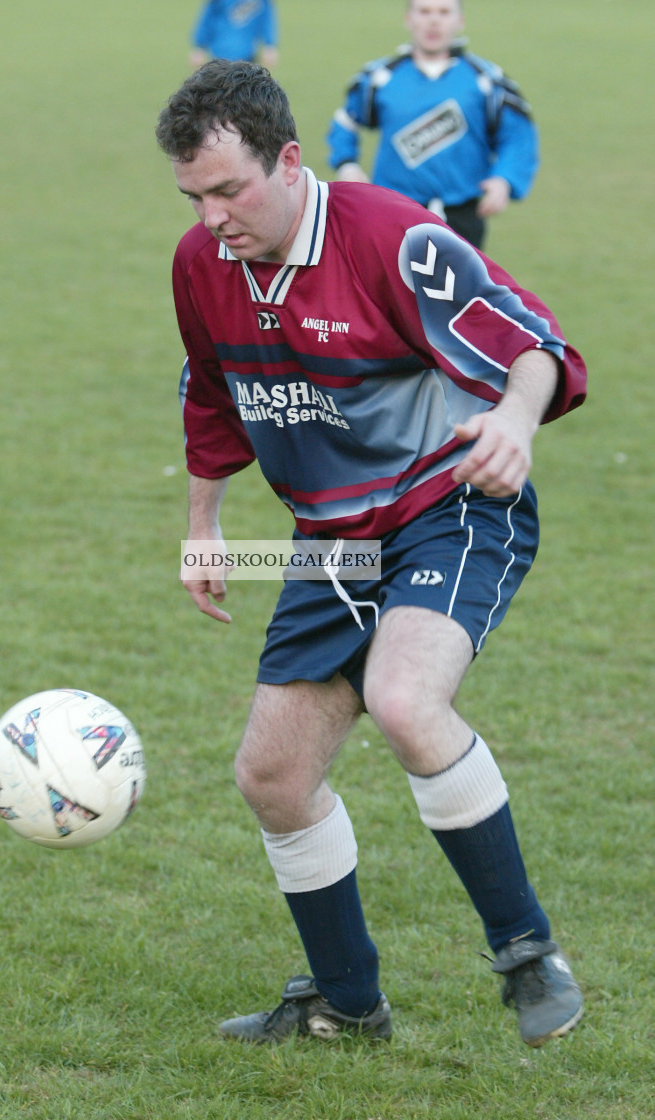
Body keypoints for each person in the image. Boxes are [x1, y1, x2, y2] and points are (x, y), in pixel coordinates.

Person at [156, 59, 586, 1048]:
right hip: (332, 541)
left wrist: (516, 423)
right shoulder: (200, 264)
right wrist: (203, 523)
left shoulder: (389, 236)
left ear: (292, 160)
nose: (213, 217)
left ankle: (527, 954)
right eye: (194, 197)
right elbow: (212, 394)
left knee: (403, 697)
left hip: (452, 500)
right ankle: (348, 1003)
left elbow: (532, 342)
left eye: (231, 189)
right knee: (271, 774)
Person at [327, 0, 538, 248]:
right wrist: (347, 164)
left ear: (460, 21)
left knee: (460, 287)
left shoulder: (487, 81)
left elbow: (518, 134)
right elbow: (345, 122)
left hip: (463, 214)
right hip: (391, 211)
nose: (433, 21)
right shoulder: (378, 79)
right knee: (390, 287)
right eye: (424, 12)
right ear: (409, 19)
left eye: (444, 12)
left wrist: (505, 178)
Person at [189, 0, 279, 71]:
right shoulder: (217, 2)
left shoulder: (261, 2)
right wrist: (199, 46)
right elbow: (207, 21)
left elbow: (267, 22)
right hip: (220, 57)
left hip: (247, 57)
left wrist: (269, 45)